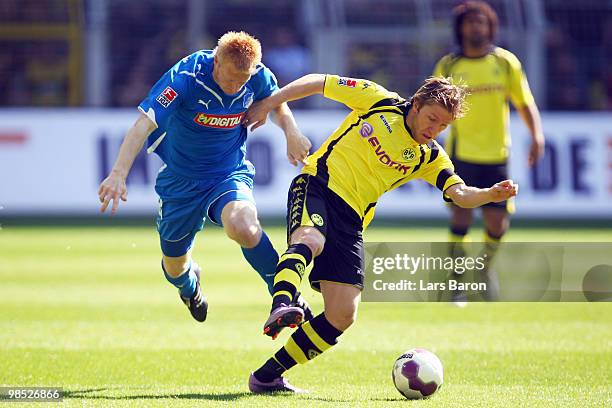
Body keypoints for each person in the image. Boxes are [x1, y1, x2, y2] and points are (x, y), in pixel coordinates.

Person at [241, 73, 518, 393]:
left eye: (442, 126)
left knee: (343, 314)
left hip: (352, 220)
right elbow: (319, 82)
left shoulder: (429, 155)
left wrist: (489, 194)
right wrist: (269, 104)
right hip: (318, 184)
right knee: (311, 239)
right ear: (415, 105)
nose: (434, 130)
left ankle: (267, 376)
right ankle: (282, 304)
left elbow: (460, 194)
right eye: (431, 119)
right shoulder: (378, 100)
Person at [98, 31, 313, 323]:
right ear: (217, 62)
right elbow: (142, 125)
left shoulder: (258, 75)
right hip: (180, 181)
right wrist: (118, 174)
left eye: (243, 81)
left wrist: (291, 131)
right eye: (229, 79)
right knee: (175, 266)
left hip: (227, 172)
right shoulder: (185, 78)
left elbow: (276, 102)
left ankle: (285, 295)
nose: (235, 87)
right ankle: (190, 287)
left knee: (244, 226)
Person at [432, 1, 544, 300]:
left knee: (497, 223)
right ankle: (456, 280)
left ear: (490, 26)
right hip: (461, 153)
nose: (476, 28)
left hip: (497, 154)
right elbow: (431, 106)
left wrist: (537, 135)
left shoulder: (505, 62)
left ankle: (484, 269)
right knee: (460, 218)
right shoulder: (449, 65)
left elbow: (524, 102)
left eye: (481, 22)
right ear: (461, 28)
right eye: (470, 23)